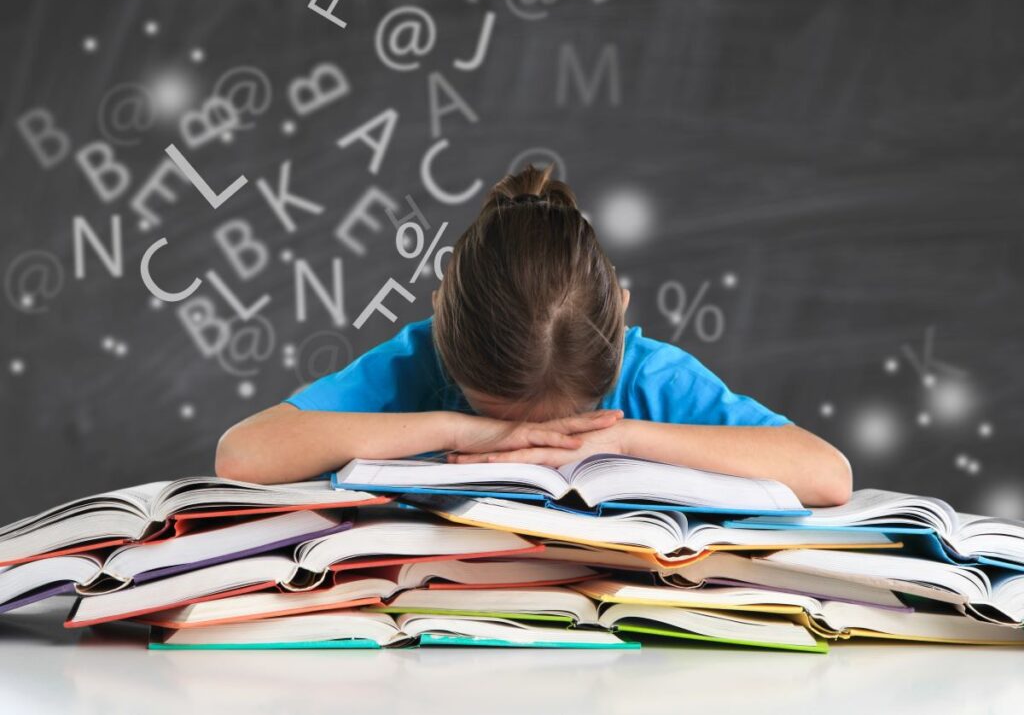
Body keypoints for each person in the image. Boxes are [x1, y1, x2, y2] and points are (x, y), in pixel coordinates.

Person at [215, 165, 852, 506]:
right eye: (497, 415)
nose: (534, 444)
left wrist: (621, 438)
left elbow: (826, 475)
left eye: (573, 421)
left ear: (622, 322)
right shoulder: (417, 363)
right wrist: (459, 429)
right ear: (442, 323)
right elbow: (243, 456)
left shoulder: (649, 377)